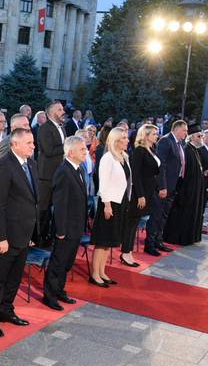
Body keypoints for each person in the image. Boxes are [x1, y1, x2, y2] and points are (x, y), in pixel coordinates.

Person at [0, 128, 39, 337]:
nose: (33, 146)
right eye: (29, 143)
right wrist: (1, 237)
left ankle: (6, 310)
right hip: (7, 236)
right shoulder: (3, 166)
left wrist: (32, 233)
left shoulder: (31, 164)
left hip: (24, 234)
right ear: (15, 144)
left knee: (15, 278)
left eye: (33, 142)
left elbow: (31, 200)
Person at [42, 135, 87, 310]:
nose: (85, 152)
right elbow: (60, 204)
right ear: (71, 153)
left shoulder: (78, 169)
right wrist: (60, 230)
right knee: (58, 263)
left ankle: (59, 290)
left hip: (76, 226)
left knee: (67, 262)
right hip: (66, 228)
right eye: (82, 149)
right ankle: (50, 296)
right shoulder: (63, 171)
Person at [91, 128, 131, 287]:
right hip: (109, 204)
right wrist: (107, 205)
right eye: (124, 138)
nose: (128, 140)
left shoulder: (124, 156)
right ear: (116, 140)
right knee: (103, 241)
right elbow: (103, 183)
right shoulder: (108, 158)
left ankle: (102, 272)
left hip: (120, 202)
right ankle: (95, 274)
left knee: (110, 241)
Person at [145, 120, 186, 253]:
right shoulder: (166, 141)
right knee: (156, 215)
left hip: (173, 185)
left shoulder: (179, 143)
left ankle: (158, 241)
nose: (186, 133)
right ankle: (149, 244)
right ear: (177, 129)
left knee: (163, 216)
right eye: (184, 130)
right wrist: (162, 186)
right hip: (163, 186)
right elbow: (161, 165)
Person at [163, 125, 207, 245]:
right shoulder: (187, 149)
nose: (201, 138)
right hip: (187, 189)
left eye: (202, 136)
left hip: (194, 188)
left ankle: (191, 237)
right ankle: (179, 238)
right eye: (199, 136)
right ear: (191, 137)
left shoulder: (196, 150)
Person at [124, 125, 158, 261]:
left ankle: (128, 252)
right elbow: (135, 175)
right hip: (140, 193)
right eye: (154, 134)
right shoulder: (139, 151)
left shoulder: (151, 149)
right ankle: (125, 252)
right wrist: (140, 195)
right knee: (131, 223)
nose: (156, 136)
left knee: (136, 222)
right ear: (145, 135)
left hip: (149, 191)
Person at [36, 101, 66, 244]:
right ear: (52, 113)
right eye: (59, 109)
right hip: (46, 175)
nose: (63, 112)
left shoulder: (62, 127)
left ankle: (50, 235)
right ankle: (37, 237)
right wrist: (67, 146)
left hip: (59, 174)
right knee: (43, 208)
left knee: (56, 207)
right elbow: (48, 151)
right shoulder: (44, 128)